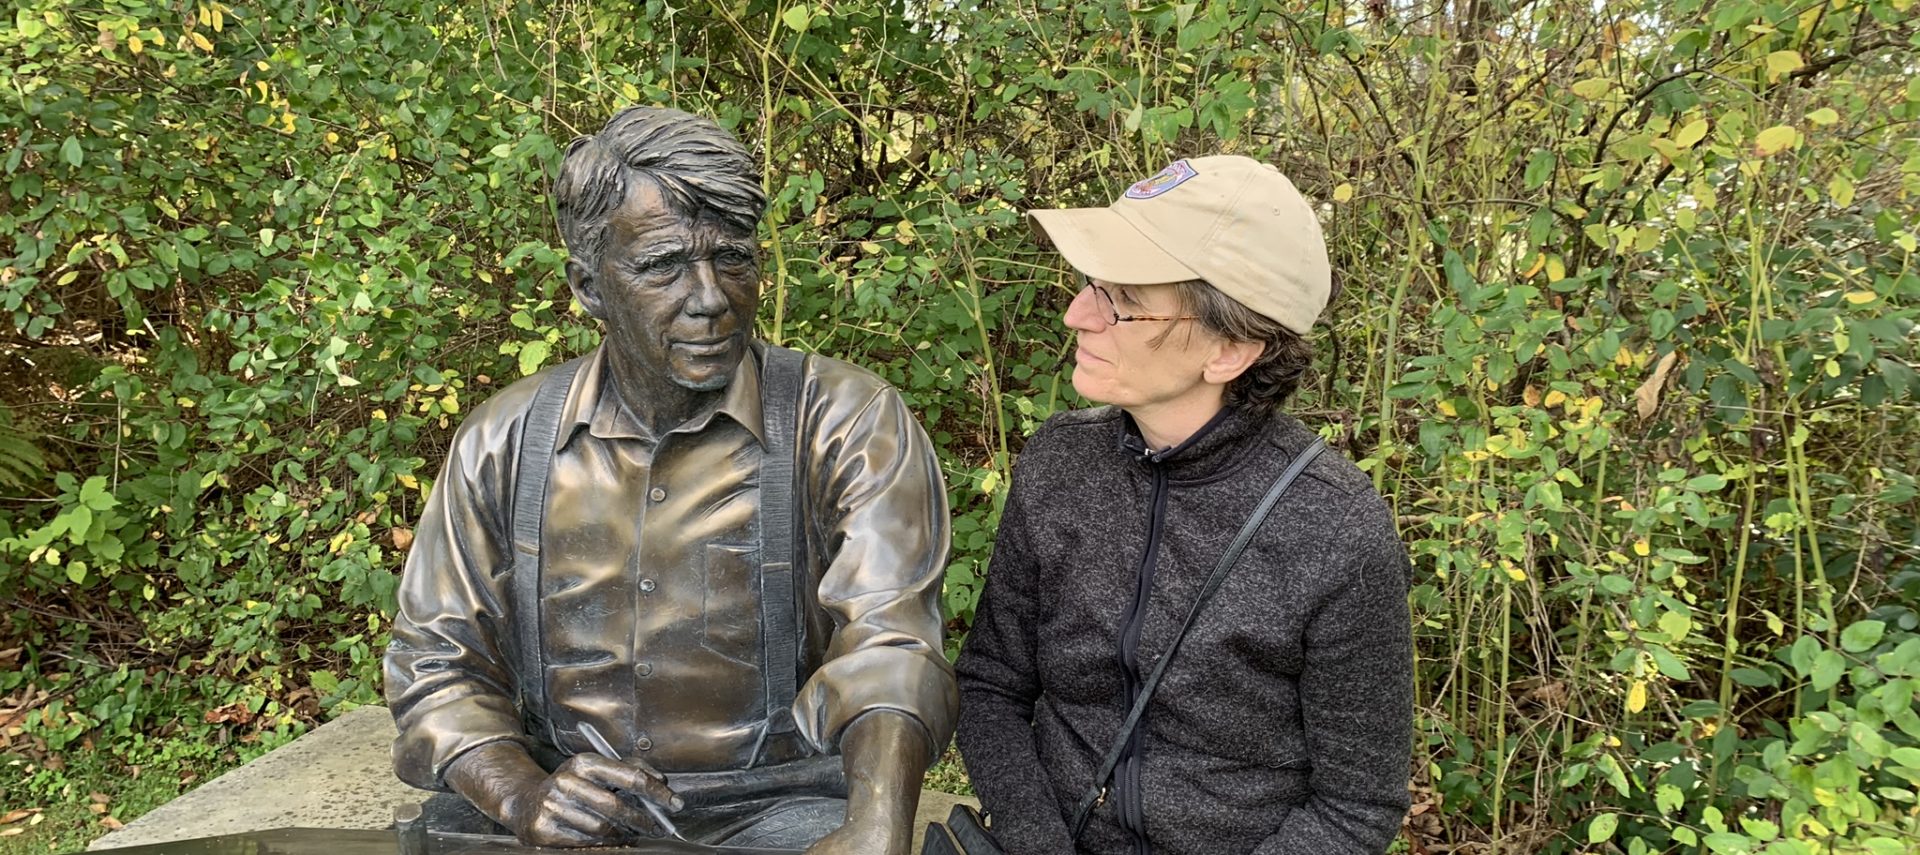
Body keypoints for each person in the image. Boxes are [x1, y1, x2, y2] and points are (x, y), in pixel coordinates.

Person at [383, 106, 956, 855]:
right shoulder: (504, 439)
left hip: (779, 811)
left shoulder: (846, 420)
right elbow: (436, 661)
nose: (711, 296)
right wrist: (521, 792)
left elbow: (892, 641)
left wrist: (875, 824)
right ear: (589, 287)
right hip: (568, 810)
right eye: (663, 266)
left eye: (733, 258)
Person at [954, 156, 1413, 855]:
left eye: (1122, 298)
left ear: (1229, 349)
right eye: (1091, 285)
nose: (1079, 314)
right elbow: (990, 686)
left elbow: (1354, 806)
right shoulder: (1058, 461)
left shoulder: (1336, 529)